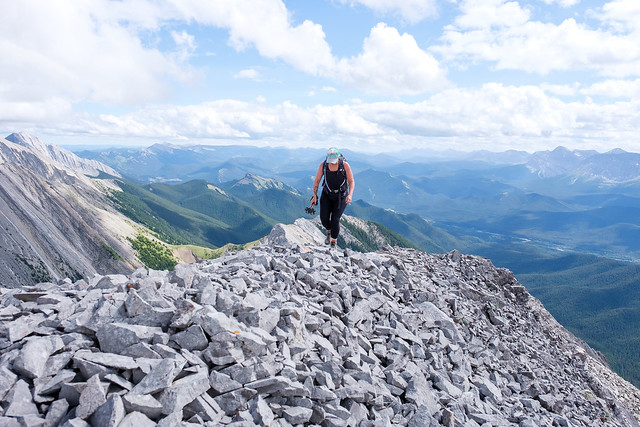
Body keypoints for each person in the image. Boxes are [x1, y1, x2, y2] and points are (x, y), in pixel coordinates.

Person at [310, 147, 355, 248]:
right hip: (327, 194)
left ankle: (333, 241)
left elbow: (351, 181)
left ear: (339, 157)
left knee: (335, 219)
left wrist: (350, 195)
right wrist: (314, 195)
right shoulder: (324, 165)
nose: (332, 163)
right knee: (324, 218)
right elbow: (316, 181)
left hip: (341, 196)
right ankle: (329, 232)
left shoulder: (345, 165)